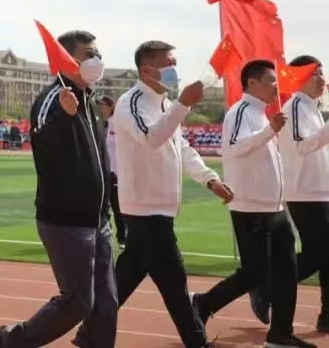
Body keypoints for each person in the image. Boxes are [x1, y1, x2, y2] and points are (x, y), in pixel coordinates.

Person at [0, 30, 116, 348]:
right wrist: (65, 116)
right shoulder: (53, 99)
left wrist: (109, 211)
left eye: (99, 54)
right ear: (68, 59)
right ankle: (10, 341)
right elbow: (44, 146)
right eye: (90, 54)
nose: (97, 60)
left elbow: (101, 163)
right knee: (78, 302)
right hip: (65, 220)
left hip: (98, 221)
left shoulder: (91, 102)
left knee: (106, 306)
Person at [111, 40, 233, 348]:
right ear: (146, 70)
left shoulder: (165, 104)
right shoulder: (131, 103)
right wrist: (183, 105)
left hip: (160, 209)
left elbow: (182, 149)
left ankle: (89, 330)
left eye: (175, 64)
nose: (175, 70)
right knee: (175, 283)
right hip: (145, 209)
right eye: (169, 64)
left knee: (124, 281)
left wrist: (210, 179)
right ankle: (197, 341)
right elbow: (151, 138)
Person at [192, 60, 315, 348]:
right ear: (252, 83)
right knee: (254, 274)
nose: (276, 86)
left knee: (287, 272)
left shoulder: (262, 115)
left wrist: (270, 129)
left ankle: (280, 334)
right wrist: (270, 130)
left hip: (275, 208)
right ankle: (202, 303)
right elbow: (236, 147)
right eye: (271, 80)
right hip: (250, 210)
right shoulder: (241, 112)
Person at [278, 55, 329, 333]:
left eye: (322, 73)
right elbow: (302, 146)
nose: (323, 79)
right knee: (319, 253)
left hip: (321, 191)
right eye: (316, 73)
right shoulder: (296, 106)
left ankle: (327, 316)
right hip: (304, 192)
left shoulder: (313, 108)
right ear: (300, 77)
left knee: (325, 255)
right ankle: (269, 284)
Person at [96, 96, 125, 247]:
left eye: (103, 105)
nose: (101, 108)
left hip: (116, 172)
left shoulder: (119, 123)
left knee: (117, 206)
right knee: (102, 205)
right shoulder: (101, 124)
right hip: (103, 172)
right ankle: (105, 233)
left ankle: (122, 237)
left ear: (110, 106)